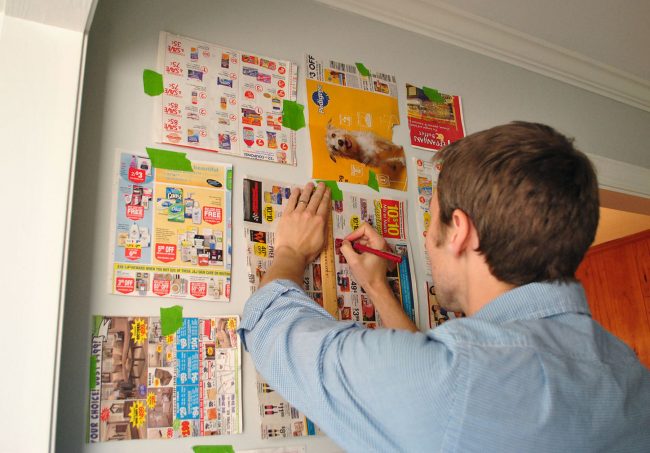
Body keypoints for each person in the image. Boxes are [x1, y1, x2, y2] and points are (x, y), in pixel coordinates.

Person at [239, 122, 650, 452]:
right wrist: (378, 290)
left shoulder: (457, 377)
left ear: (460, 232)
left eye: (431, 220)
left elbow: (272, 330)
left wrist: (290, 251)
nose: (429, 239)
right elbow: (445, 401)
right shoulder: (626, 370)